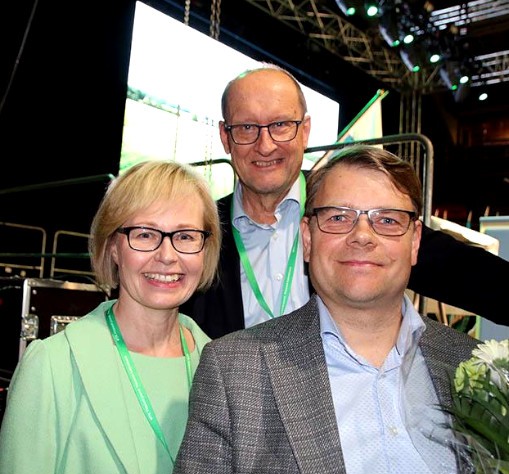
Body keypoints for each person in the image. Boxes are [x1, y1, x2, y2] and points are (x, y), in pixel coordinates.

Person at [168, 145, 477, 474]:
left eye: (387, 220)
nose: (362, 235)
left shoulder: (473, 367)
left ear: (415, 242)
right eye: (338, 217)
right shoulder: (233, 371)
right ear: (308, 238)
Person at [180, 64, 509, 338]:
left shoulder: (352, 211)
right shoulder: (197, 230)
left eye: (281, 125)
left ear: (305, 131)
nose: (265, 145)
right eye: (246, 127)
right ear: (225, 137)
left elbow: (462, 271)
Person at [0, 160, 221, 474]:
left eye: (185, 236)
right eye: (145, 234)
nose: (167, 256)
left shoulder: (225, 371)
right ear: (113, 246)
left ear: (205, 248)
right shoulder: (52, 367)